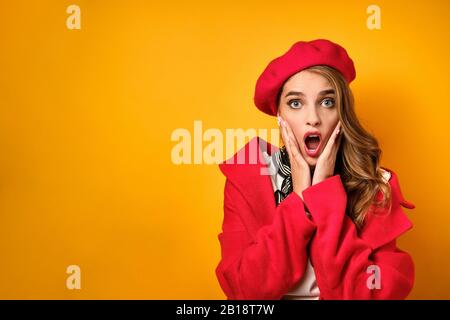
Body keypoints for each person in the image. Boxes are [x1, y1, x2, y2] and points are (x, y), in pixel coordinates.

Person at [215, 39, 416, 300]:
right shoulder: (249, 178)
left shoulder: (375, 185)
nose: (313, 118)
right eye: (296, 103)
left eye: (327, 102)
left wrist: (324, 197)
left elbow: (368, 295)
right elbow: (245, 292)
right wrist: (299, 199)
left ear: (343, 112)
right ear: (280, 117)